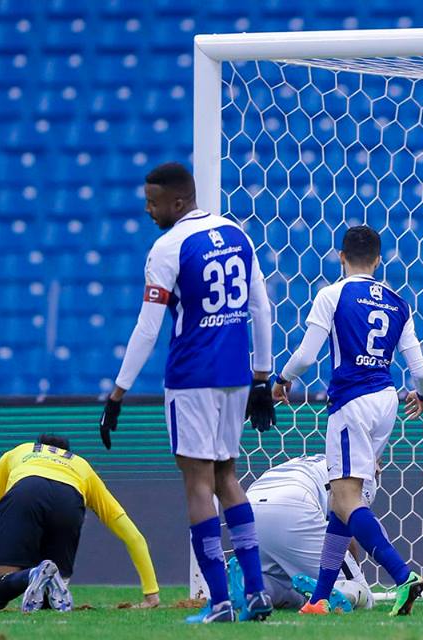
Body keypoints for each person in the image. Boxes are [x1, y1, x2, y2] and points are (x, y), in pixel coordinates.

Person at [98, 162, 276, 624]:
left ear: (178, 202)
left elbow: (147, 327)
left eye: (153, 201)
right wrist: (262, 376)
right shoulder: (238, 234)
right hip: (237, 375)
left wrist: (117, 393)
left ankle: (219, 603)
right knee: (228, 478)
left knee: (198, 484)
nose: (147, 208)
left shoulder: (167, 247)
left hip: (192, 376)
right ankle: (255, 593)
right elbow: (261, 306)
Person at [272, 225, 423, 617]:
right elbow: (422, 370)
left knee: (345, 498)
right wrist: (422, 394)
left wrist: (283, 378)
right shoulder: (398, 302)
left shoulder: (333, 293)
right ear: (378, 260)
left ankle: (402, 576)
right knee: (340, 504)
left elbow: (308, 355)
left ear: (341, 257)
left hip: (351, 402)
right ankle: (319, 599)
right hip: (387, 400)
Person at [0, 434, 159, 613]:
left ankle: (32, 574)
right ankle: (40, 576)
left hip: (27, 491)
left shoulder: (17, 453)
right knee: (49, 599)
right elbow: (134, 537)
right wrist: (151, 594)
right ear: (67, 454)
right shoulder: (82, 466)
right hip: (69, 501)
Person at [230, 454, 375, 613]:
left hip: (250, 504)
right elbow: (347, 527)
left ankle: (251, 590)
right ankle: (333, 592)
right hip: (293, 505)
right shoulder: (360, 474)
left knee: (279, 580)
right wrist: (354, 572)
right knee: (363, 594)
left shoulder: (314, 460)